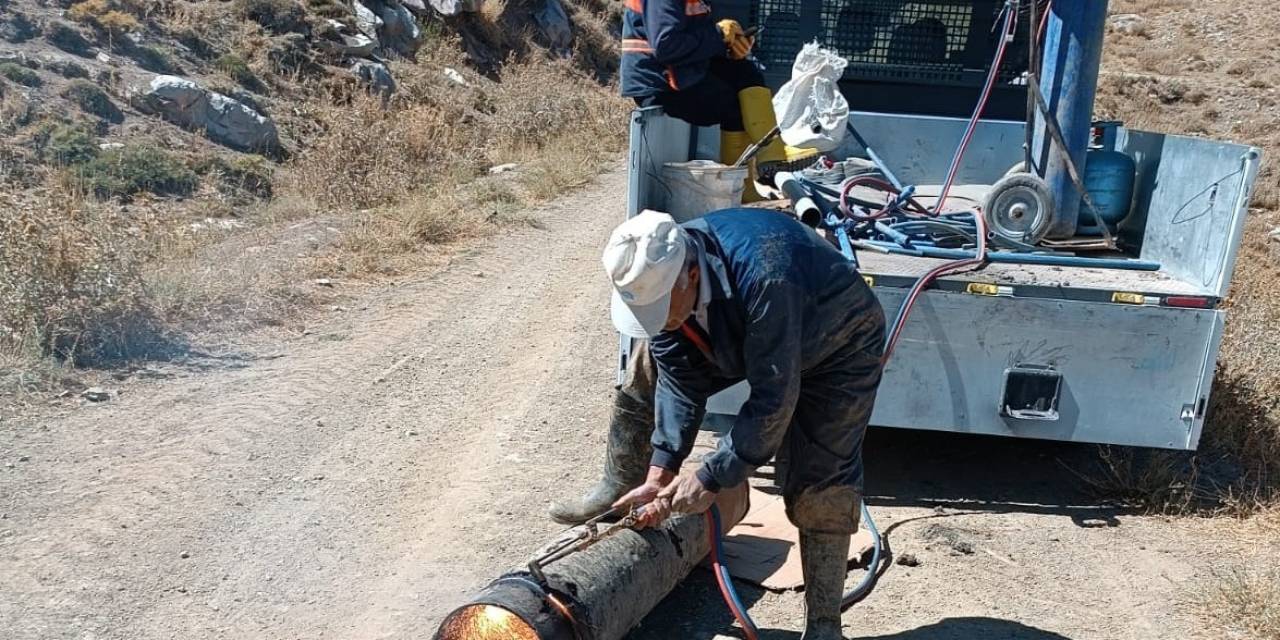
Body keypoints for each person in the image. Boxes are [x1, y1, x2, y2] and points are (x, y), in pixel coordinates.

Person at [561, 209, 885, 639]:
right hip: (747, 329)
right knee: (647, 366)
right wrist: (663, 470)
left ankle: (824, 626)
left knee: (822, 479)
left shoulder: (766, 276)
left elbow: (774, 398)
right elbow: (679, 380)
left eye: (662, 307)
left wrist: (713, 476)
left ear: (690, 274)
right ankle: (617, 485)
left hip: (838, 341)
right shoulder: (664, 278)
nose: (657, 318)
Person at [619, 0, 813, 201]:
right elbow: (666, 45)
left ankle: (771, 156)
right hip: (659, 83)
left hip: (677, 72)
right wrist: (718, 35)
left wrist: (730, 46)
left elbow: (692, 41)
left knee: (746, 74)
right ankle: (738, 188)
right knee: (730, 101)